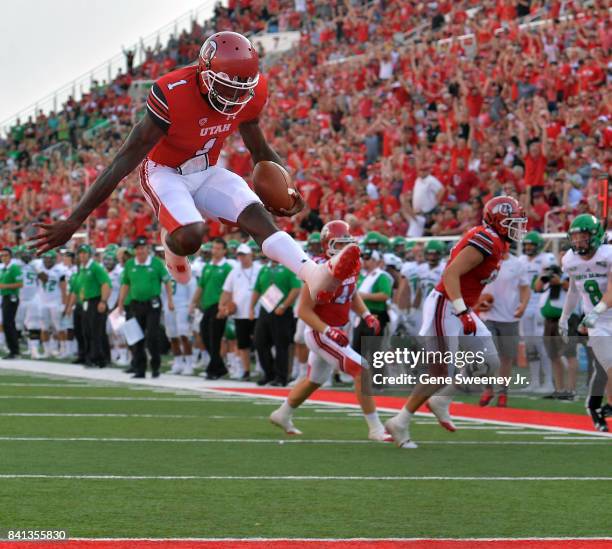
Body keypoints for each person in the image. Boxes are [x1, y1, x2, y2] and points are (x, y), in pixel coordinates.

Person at [31, 31, 360, 305]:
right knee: (192, 236)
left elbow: (257, 146)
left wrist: (286, 183)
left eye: (241, 87)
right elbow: (122, 161)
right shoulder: (173, 92)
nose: (234, 94)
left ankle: (314, 274)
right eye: (227, 84)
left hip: (208, 169)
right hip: (165, 172)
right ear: (204, 73)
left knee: (258, 217)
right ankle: (171, 243)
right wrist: (75, 219)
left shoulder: (251, 91)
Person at [385, 196, 528, 449]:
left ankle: (442, 400)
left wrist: (470, 305)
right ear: (497, 221)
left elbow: (468, 279)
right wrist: (463, 311)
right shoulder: (487, 239)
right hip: (446, 305)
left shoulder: (495, 242)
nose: (517, 227)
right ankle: (400, 421)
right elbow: (451, 274)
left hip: (460, 306)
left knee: (489, 360)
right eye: (511, 221)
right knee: (439, 372)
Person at [269, 220, 388, 441]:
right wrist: (328, 331)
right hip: (320, 331)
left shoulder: (351, 264)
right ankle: (376, 429)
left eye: (347, 243)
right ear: (326, 244)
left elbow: (350, 294)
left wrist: (366, 314)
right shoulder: (317, 270)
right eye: (338, 244)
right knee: (361, 369)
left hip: (338, 328)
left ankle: (282, 414)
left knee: (314, 380)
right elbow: (304, 311)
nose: (344, 249)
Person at [560, 214, 612, 432]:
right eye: (576, 237)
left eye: (584, 237)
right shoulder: (569, 260)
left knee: (604, 371)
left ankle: (603, 406)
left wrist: (597, 310)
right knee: (610, 367)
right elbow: (573, 290)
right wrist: (565, 317)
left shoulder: (607, 254)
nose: (579, 241)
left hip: (600, 313)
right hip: (597, 323)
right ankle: (602, 406)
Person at [478, 249, 531, 407]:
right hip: (488, 315)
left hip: (509, 316)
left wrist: (523, 306)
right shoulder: (484, 260)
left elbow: (525, 287)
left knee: (506, 358)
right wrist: (477, 302)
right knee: (487, 354)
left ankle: (502, 392)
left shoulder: (517, 263)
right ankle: (488, 389)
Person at [117, 237, 174, 378]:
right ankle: (140, 369)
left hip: (153, 303)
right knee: (137, 337)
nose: (140, 251)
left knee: (152, 336)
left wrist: (170, 300)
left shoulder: (156, 263)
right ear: (135, 250)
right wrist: (120, 303)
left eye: (143, 248)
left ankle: (155, 367)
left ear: (147, 249)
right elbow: (125, 284)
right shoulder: (130, 264)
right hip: (136, 304)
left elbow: (167, 282)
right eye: (138, 248)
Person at [250, 259, 302, 386]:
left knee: (281, 344)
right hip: (266, 307)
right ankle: (269, 373)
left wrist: (284, 305)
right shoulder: (264, 269)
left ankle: (281, 377)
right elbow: (257, 289)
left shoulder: (289, 267)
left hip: (282, 311)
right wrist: (251, 307)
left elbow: (296, 289)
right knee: (259, 341)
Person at [189, 238, 233, 380]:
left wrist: (225, 306)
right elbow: (201, 286)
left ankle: (213, 369)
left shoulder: (227, 268)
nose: (215, 251)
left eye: (218, 248)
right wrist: (193, 302)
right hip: (206, 306)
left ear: (224, 251)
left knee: (215, 337)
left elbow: (230, 289)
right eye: (214, 248)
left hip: (218, 305)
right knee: (205, 334)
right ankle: (219, 366)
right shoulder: (207, 266)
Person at [518, 231, 556, 393]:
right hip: (526, 305)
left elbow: (552, 273)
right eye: (526, 245)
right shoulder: (521, 260)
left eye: (531, 245)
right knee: (530, 344)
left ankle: (548, 382)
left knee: (542, 344)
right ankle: (534, 381)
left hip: (540, 304)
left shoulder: (547, 258)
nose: (528, 248)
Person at [219, 243, 261, 380]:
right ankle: (246, 370)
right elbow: (226, 290)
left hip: (258, 312)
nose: (241, 258)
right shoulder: (234, 271)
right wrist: (221, 306)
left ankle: (262, 368)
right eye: (239, 255)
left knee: (261, 342)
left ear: (250, 255)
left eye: (244, 255)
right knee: (242, 344)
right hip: (239, 312)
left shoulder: (260, 269)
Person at [77, 244, 112, 368]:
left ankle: (97, 358)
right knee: (87, 331)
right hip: (86, 302)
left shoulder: (95, 267)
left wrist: (103, 301)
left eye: (84, 253)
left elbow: (106, 284)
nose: (82, 255)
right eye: (80, 253)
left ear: (89, 254)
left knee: (96, 332)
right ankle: (93, 357)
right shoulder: (83, 268)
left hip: (96, 301)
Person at [353, 249, 392, 353]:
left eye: (367, 258)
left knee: (375, 351)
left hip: (375, 315)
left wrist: (366, 296)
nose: (364, 260)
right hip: (361, 316)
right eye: (363, 258)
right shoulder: (361, 275)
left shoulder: (381, 276)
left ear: (375, 261)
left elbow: (385, 294)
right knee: (357, 349)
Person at [0, 248, 23, 358]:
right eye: (2, 255)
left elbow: (20, 284)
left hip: (11, 297)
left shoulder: (14, 268)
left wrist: (5, 286)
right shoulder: (3, 269)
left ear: (10, 256)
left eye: (6, 255)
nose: (4, 257)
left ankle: (14, 350)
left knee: (8, 323)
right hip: (5, 296)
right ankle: (13, 349)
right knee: (7, 323)